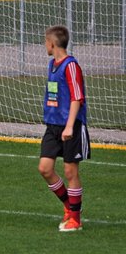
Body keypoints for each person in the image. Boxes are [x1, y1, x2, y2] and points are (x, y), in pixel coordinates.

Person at [38, 25, 90, 232]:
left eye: (45, 42)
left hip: (71, 127)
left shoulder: (71, 66)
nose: (44, 45)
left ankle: (75, 220)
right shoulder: (52, 64)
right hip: (52, 127)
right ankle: (70, 206)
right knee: (45, 169)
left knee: (70, 171)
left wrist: (69, 127)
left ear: (51, 43)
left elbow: (77, 97)